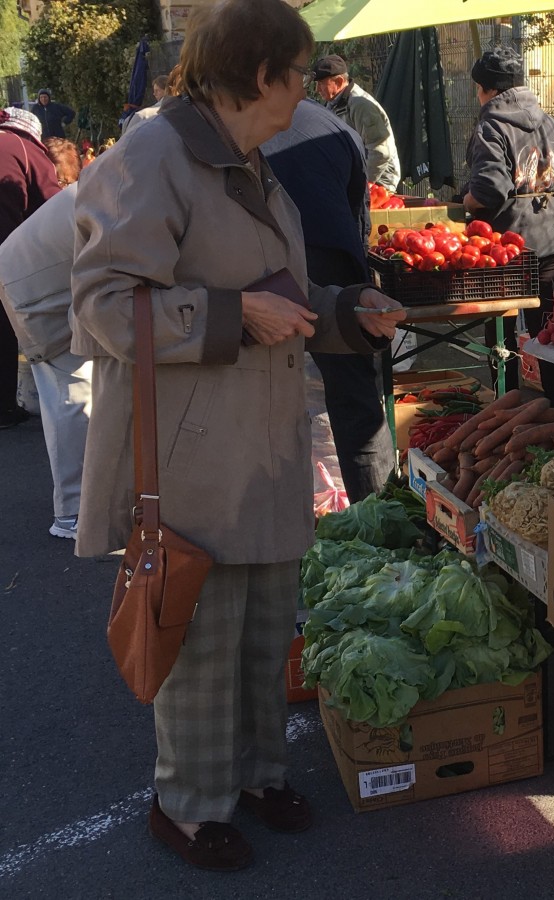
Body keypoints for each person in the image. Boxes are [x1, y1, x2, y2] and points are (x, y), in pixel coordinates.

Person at [69, 0, 404, 872]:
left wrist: (343, 313)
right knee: (202, 639)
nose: (310, 89)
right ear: (262, 75)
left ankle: (255, 775)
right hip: (189, 452)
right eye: (299, 72)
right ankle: (186, 805)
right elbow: (103, 305)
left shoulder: (251, 158)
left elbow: (274, 295)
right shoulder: (152, 156)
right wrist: (229, 314)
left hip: (258, 444)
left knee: (262, 629)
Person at [262, 99, 396, 501]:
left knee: (267, 385)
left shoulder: (242, 125)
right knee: (355, 397)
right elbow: (361, 219)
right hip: (333, 256)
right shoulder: (335, 126)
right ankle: (380, 510)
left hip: (270, 263)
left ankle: (292, 506)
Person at [463, 46, 554, 408]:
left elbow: (488, 190)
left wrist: (465, 201)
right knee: (546, 330)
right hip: (552, 244)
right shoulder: (551, 123)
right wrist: (544, 197)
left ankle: (507, 409)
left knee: (499, 326)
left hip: (506, 248)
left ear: (485, 90)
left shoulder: (491, 126)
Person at [0, 185, 91, 539]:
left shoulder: (116, 177)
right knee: (72, 398)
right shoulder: (128, 188)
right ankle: (73, 512)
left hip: (37, 278)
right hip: (36, 290)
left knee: (74, 394)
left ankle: (83, 506)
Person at [0, 106, 62, 429]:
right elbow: (55, 206)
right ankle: (4, 408)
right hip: (5, 251)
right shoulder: (25, 149)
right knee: (4, 326)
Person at [309, 54, 401, 191]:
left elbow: (380, 152)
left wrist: (362, 185)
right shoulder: (334, 104)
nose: (317, 90)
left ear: (339, 82)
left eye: (321, 84)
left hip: (379, 183)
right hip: (356, 179)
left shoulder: (360, 105)